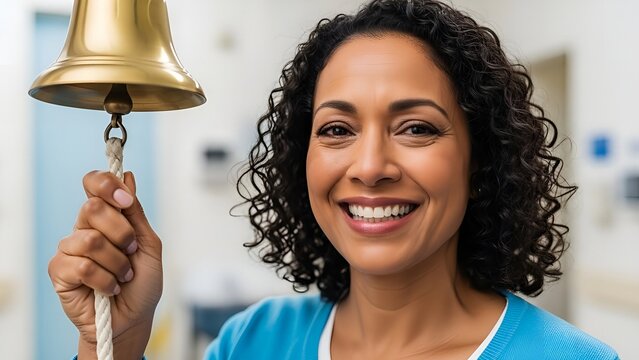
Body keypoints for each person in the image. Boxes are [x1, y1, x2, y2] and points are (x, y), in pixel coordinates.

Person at [49, 0, 619, 359]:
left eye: (417, 128)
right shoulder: (253, 341)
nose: (369, 167)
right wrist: (112, 344)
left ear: (480, 162)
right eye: (337, 129)